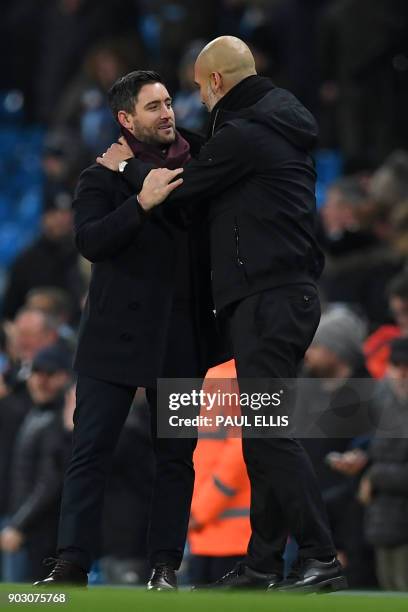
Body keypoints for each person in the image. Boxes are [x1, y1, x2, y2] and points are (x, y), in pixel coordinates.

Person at [110, 36, 345, 592]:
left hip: (270, 298)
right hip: (276, 297)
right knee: (262, 433)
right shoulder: (268, 128)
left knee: (268, 432)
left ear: (216, 82)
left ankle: (319, 554)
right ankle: (264, 564)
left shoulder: (244, 136)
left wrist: (125, 169)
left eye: (196, 86)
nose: (194, 98)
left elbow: (179, 191)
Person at [34, 70, 222, 590]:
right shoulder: (99, 176)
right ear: (125, 118)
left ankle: (164, 567)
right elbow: (90, 241)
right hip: (114, 333)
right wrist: (139, 201)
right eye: (154, 107)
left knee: (176, 456)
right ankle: (71, 562)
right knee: (90, 449)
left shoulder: (202, 157)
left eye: (168, 103)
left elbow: (195, 200)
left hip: (181, 331)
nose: (167, 113)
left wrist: (136, 170)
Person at [0, 345, 72, 581]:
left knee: (29, 600)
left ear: (64, 378)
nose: (41, 381)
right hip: (23, 523)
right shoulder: (33, 412)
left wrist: (20, 525)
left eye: (49, 375)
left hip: (39, 531)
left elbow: (50, 481)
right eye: (36, 373)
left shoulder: (58, 421)